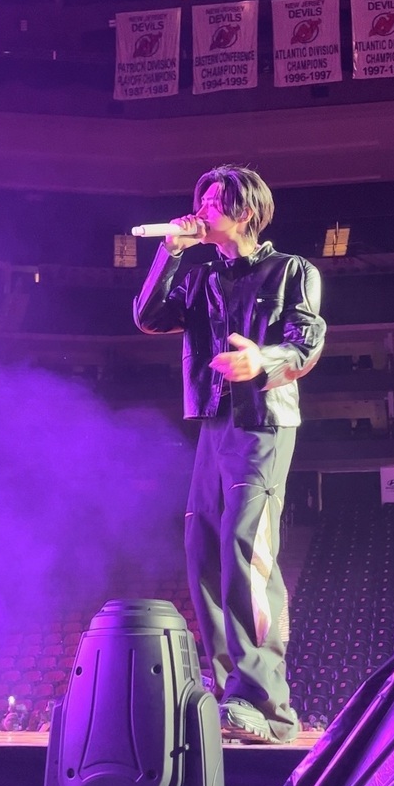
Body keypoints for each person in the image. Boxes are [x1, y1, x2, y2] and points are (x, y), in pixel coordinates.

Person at [133, 164, 326, 743]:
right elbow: (148, 316)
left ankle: (268, 705)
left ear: (246, 211)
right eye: (202, 197)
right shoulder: (199, 276)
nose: (203, 207)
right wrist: (169, 252)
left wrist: (261, 361)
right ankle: (231, 698)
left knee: (246, 550)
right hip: (214, 423)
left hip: (263, 421)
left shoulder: (292, 270)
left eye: (215, 199)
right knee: (203, 552)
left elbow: (307, 341)